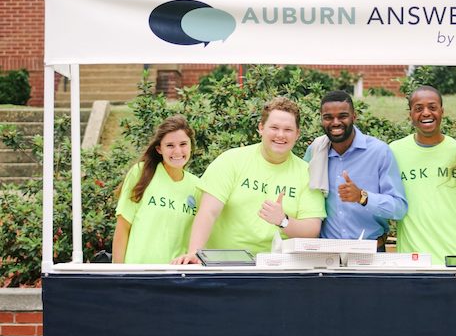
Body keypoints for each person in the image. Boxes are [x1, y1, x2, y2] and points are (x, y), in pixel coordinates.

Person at [172, 97, 325, 264]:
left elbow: (312, 228)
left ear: (297, 134)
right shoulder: (231, 161)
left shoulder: (307, 173)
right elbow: (209, 211)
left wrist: (283, 220)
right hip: (224, 265)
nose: (280, 135)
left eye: (288, 129)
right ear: (261, 128)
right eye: (274, 127)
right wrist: (194, 252)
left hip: (277, 268)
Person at [304, 90, 407, 250]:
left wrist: (362, 197)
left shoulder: (379, 152)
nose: (335, 122)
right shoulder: (316, 151)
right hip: (326, 254)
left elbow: (399, 208)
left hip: (371, 254)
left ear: (354, 116)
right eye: (328, 117)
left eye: (342, 116)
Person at [389, 86, 456, 263]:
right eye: (418, 108)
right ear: (410, 114)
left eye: (432, 107)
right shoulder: (394, 151)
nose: (426, 113)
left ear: (442, 111)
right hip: (413, 260)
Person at [112, 115, 201, 264]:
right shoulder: (140, 173)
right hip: (137, 275)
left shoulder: (197, 186)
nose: (178, 151)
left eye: (183, 144)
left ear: (191, 145)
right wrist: (117, 274)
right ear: (159, 149)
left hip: (176, 277)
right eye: (170, 145)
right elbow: (123, 227)